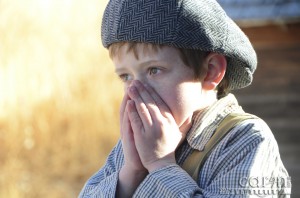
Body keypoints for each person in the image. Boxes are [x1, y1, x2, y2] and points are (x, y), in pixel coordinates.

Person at [79, 0, 291, 197]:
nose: (135, 91)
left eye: (154, 70)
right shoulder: (136, 143)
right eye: (125, 76)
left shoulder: (245, 140)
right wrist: (131, 171)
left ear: (211, 71)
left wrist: (161, 165)